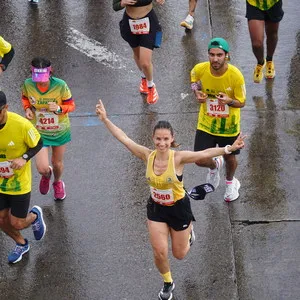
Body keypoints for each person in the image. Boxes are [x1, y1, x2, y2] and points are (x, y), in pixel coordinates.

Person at [95, 99, 245, 300]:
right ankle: (167, 282)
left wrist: (228, 149)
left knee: (180, 254)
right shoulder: (147, 155)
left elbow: (204, 153)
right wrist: (105, 119)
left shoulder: (178, 158)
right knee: (159, 251)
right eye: (158, 139)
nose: (162, 143)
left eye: (166, 139)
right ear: (153, 139)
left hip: (179, 209)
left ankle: (189, 234)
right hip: (156, 209)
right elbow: (125, 139)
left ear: (172, 139)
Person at [190, 37, 246, 202]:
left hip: (228, 126)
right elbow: (194, 80)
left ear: (226, 55)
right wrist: (196, 92)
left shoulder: (236, 76)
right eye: (212, 54)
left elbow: (242, 102)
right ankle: (214, 167)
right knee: (199, 159)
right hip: (206, 123)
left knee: (230, 157)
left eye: (219, 55)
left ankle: (230, 183)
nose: (215, 59)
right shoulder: (200, 69)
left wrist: (229, 101)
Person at [0, 91, 46, 264]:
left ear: (6, 108)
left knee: (17, 222)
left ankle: (34, 216)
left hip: (19, 183)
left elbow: (39, 143)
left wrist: (24, 158)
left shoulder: (20, 125)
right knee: (1, 219)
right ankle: (21, 243)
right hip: (0, 183)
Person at [21, 57, 76, 200]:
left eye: (44, 77)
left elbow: (71, 106)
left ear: (50, 72)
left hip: (59, 130)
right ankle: (46, 175)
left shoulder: (61, 85)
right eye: (37, 78)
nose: (41, 81)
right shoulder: (28, 84)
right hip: (40, 132)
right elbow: (25, 98)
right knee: (42, 168)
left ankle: (57, 182)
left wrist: (59, 108)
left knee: (57, 163)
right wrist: (27, 108)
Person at [113, 0, 165, 105]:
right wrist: (123, 3)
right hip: (130, 24)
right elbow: (115, 6)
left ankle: (151, 86)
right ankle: (144, 78)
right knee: (137, 55)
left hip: (148, 22)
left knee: (145, 62)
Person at [246, 0, 284, 83]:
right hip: (254, 3)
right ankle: (260, 63)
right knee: (257, 44)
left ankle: (269, 60)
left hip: (273, 2)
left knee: (272, 34)